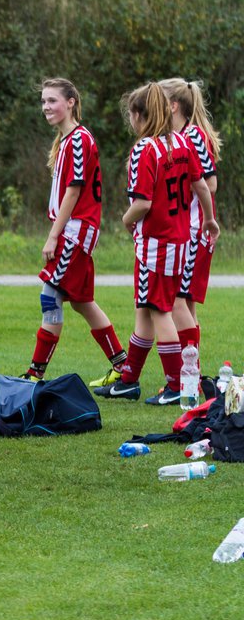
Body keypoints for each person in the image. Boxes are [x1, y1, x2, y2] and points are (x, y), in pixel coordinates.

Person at [94, 83, 217, 404]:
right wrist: (208, 219)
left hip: (155, 243)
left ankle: (177, 384)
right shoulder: (181, 142)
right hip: (179, 240)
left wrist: (125, 220)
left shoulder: (145, 150)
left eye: (131, 116)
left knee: (160, 310)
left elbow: (143, 203)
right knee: (146, 309)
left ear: (139, 116)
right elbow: (202, 186)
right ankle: (129, 380)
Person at [20, 79, 128, 383]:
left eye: (52, 100)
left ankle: (34, 373)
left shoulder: (79, 139)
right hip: (73, 228)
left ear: (71, 102)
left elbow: (74, 190)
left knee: (50, 294)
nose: (46, 107)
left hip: (75, 230)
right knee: (81, 301)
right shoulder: (66, 141)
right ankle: (124, 367)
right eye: (43, 101)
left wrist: (54, 235)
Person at [158, 78, 220, 351]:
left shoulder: (192, 136)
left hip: (195, 230)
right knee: (186, 305)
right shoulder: (175, 136)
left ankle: (188, 376)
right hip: (186, 230)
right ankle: (192, 373)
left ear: (172, 106)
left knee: (177, 303)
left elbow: (211, 183)